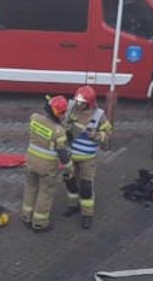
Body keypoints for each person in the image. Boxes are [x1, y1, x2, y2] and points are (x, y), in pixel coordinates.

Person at [60, 86, 112, 230]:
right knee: (70, 181)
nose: (78, 104)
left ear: (89, 103)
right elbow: (61, 123)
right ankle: (73, 205)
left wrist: (97, 136)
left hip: (87, 158)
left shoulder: (99, 115)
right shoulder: (71, 108)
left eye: (81, 102)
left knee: (86, 186)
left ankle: (87, 215)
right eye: (77, 101)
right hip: (70, 155)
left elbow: (108, 132)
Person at [21, 95, 71, 233]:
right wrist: (69, 168)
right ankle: (39, 223)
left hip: (30, 160)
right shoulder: (59, 131)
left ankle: (26, 216)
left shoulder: (34, 118)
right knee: (45, 193)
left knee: (30, 187)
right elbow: (63, 154)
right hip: (47, 167)